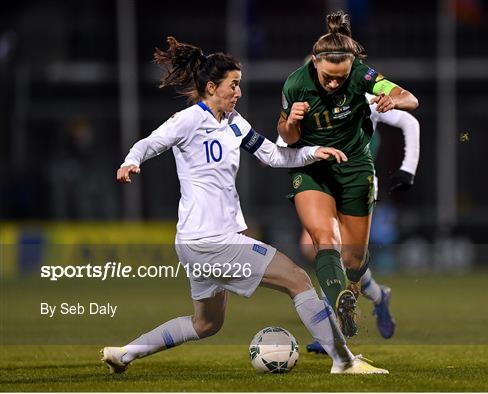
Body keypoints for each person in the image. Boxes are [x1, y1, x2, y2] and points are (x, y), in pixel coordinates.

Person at [101, 36, 388, 375]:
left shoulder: (234, 121)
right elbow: (151, 142)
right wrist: (130, 161)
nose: (239, 92)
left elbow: (271, 154)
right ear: (212, 87)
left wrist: (313, 152)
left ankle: (124, 353)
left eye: (240, 84)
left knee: (206, 324)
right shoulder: (190, 119)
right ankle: (344, 361)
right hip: (212, 239)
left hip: (195, 242)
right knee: (297, 279)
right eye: (233, 85)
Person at [277, 11, 419, 339]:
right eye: (328, 77)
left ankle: (374, 295)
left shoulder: (361, 76)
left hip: (355, 169)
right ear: (315, 63)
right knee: (321, 242)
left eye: (340, 77)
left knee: (353, 259)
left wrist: (392, 100)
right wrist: (291, 122)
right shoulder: (295, 84)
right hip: (314, 169)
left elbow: (410, 100)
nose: (334, 83)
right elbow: (287, 136)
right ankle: (338, 313)